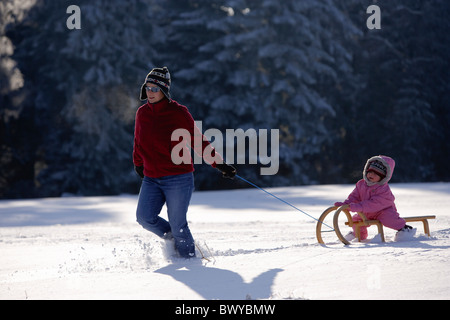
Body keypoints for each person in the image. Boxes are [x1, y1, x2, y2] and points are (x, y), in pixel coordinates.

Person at [133, 66, 236, 258]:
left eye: (155, 89)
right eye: (148, 88)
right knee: (145, 218)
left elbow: (198, 141)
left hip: (178, 178)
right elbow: (138, 141)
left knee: (179, 224)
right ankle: (174, 240)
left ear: (164, 90)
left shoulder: (178, 113)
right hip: (152, 178)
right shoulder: (142, 113)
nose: (150, 92)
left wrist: (219, 163)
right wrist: (138, 162)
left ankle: (189, 261)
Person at [334, 155, 415, 241]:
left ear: (383, 176)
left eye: (376, 173)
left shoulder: (383, 190)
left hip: (383, 211)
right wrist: (346, 205)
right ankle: (359, 235)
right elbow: (354, 197)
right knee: (356, 220)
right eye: (370, 171)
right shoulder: (361, 184)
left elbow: (373, 204)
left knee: (388, 219)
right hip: (366, 211)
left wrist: (358, 207)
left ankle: (404, 230)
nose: (371, 175)